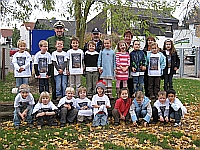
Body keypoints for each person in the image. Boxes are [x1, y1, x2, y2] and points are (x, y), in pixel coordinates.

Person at [47, 20, 71, 100]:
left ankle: (65, 98)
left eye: (61, 28)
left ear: (63, 29)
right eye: (57, 28)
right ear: (54, 29)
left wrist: (67, 68)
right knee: (54, 84)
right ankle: (55, 99)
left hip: (65, 67)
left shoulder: (68, 40)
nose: (59, 30)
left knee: (64, 84)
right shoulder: (50, 40)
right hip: (53, 67)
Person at [123, 30, 134, 97]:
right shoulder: (120, 45)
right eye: (126, 36)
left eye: (129, 37)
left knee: (130, 80)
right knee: (122, 81)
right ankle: (122, 93)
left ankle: (131, 94)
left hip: (131, 66)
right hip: (122, 66)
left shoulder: (133, 46)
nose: (127, 38)